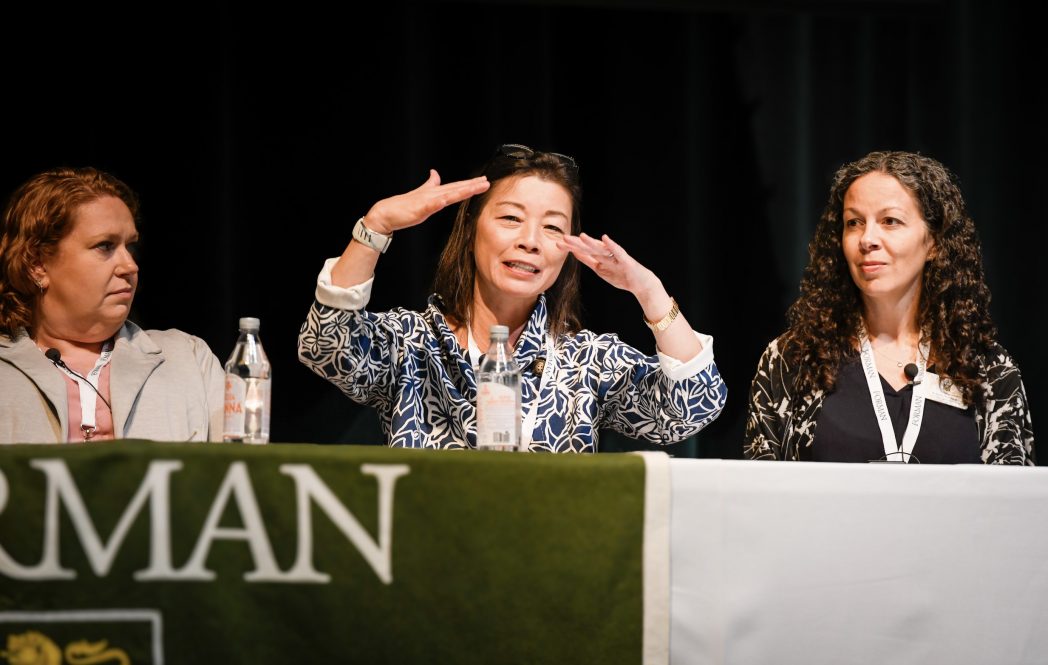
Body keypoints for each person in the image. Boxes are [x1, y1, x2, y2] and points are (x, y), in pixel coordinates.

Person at [298, 144, 727, 451]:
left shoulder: (585, 362)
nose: (530, 241)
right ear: (470, 232)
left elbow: (693, 407)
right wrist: (377, 226)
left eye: (553, 228)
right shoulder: (412, 343)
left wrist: (648, 291)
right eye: (510, 219)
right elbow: (326, 346)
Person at [744, 150, 1034, 464]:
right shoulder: (791, 360)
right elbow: (762, 498)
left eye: (890, 221)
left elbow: (1011, 504)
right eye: (853, 222)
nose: (867, 238)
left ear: (934, 242)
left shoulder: (988, 369)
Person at [0, 167, 225, 443]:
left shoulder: (189, 359)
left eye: (129, 247)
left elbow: (241, 473)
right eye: (105, 246)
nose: (130, 266)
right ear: (38, 264)